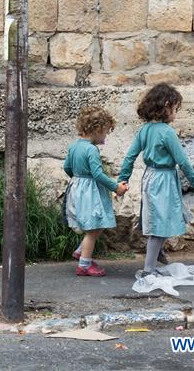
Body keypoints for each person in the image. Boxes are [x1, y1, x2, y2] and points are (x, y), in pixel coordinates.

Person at [118, 83, 194, 277]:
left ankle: (157, 251)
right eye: (175, 109)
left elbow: (130, 156)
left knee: (160, 217)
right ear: (166, 106)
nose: (176, 114)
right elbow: (183, 161)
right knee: (160, 223)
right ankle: (148, 269)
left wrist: (123, 178)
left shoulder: (144, 130)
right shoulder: (168, 133)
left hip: (150, 177)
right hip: (164, 180)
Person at [63, 106, 128, 277]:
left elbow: (66, 167)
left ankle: (81, 251)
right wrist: (116, 187)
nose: (106, 136)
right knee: (92, 230)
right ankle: (84, 265)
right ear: (98, 130)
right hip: (90, 192)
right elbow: (98, 174)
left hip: (77, 187)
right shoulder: (91, 150)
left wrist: (78, 179)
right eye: (106, 132)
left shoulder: (75, 146)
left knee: (96, 224)